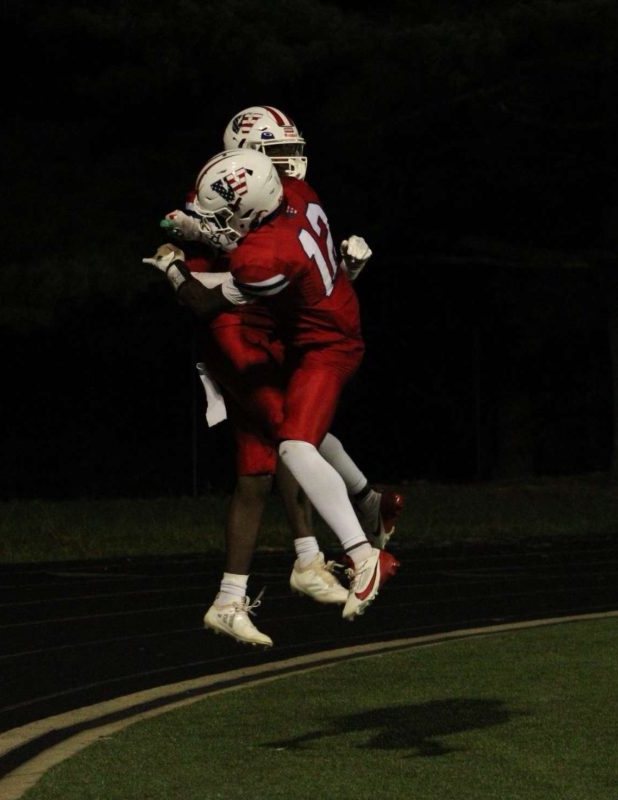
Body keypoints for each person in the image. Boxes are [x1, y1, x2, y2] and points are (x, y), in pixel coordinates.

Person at [161, 108, 401, 646]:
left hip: (272, 325)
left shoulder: (257, 241)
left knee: (270, 460)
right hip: (242, 333)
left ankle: (244, 590)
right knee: (285, 441)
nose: (288, 166)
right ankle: (327, 548)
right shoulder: (296, 196)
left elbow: (241, 270)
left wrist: (177, 260)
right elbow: (226, 280)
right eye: (275, 157)